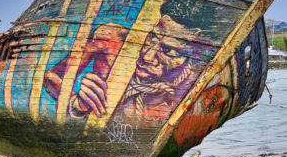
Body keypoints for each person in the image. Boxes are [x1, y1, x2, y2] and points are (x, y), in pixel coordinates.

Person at [44, 14, 198, 126]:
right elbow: (52, 76)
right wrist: (76, 104)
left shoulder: (192, 78)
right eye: (152, 38)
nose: (147, 56)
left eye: (169, 51)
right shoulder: (112, 38)